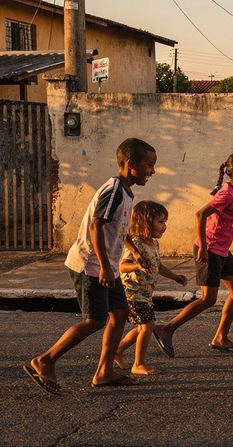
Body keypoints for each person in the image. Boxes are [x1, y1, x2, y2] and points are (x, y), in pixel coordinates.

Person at [23, 138, 156, 393]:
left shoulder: (126, 191)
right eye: (149, 165)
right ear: (131, 163)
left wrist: (136, 253)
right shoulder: (115, 189)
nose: (152, 171)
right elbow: (96, 225)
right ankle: (44, 360)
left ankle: (104, 372)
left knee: (119, 314)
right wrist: (105, 267)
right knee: (95, 320)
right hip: (90, 264)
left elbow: (117, 228)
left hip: (107, 265)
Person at [153, 152, 233, 355]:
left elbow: (222, 220)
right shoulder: (227, 194)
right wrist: (202, 246)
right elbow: (200, 215)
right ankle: (166, 329)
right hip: (209, 250)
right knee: (208, 299)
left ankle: (220, 338)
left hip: (221, 250)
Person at [113, 201, 189, 375]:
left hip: (145, 295)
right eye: (160, 222)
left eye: (164, 222)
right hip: (131, 292)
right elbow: (123, 266)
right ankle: (138, 364)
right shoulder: (136, 244)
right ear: (146, 223)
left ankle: (118, 350)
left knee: (143, 328)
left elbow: (158, 266)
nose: (164, 226)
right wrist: (137, 266)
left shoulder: (154, 244)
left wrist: (175, 277)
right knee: (148, 325)